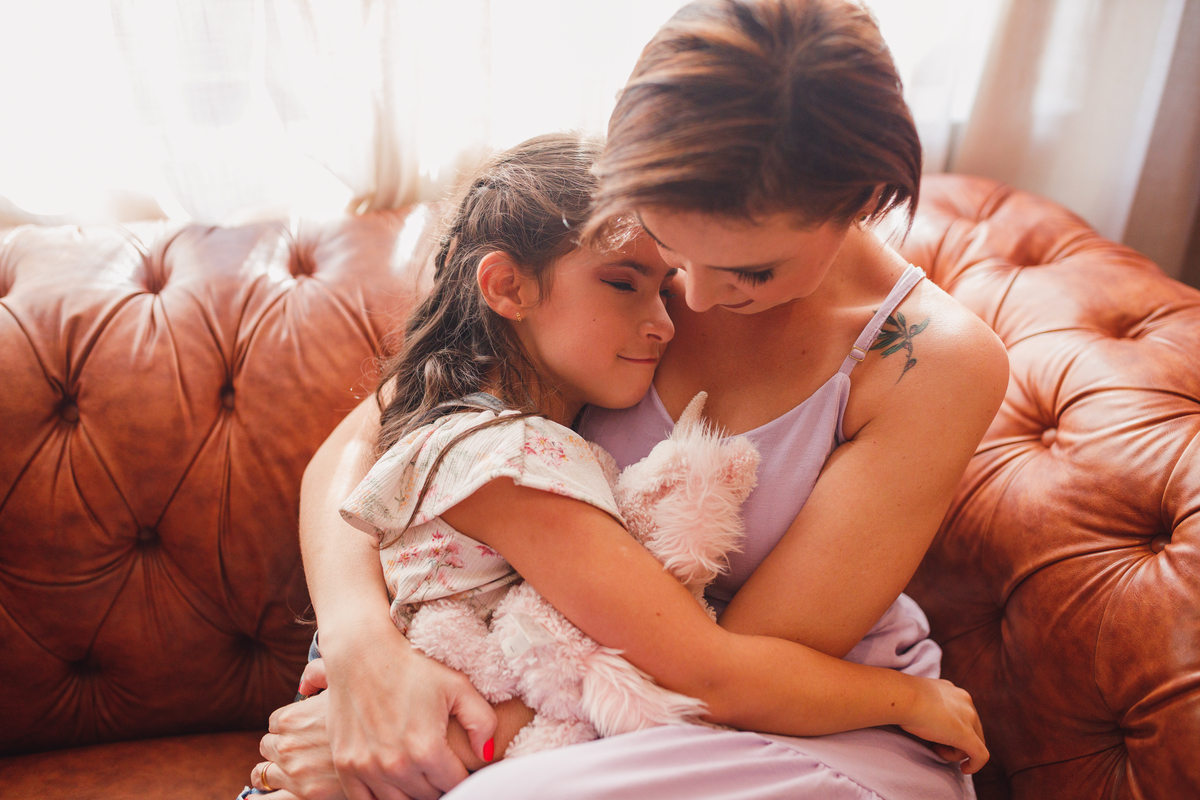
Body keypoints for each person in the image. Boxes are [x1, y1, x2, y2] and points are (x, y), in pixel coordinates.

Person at [253, 0, 1009, 797]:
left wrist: (441, 740)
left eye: (754, 271)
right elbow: (369, 449)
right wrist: (363, 652)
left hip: (785, 721)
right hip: (561, 687)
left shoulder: (935, 363)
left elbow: (715, 674)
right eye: (671, 245)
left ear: (863, 200)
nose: (697, 301)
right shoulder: (601, 245)